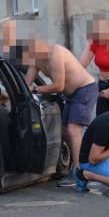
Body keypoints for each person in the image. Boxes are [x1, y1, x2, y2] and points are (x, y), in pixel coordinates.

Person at [22, 34, 98, 176]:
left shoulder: (55, 55)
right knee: (65, 130)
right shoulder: (35, 58)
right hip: (71, 94)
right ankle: (78, 166)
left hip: (85, 89)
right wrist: (7, 94)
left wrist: (36, 89)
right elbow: (27, 84)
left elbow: (58, 86)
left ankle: (80, 172)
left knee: (73, 130)